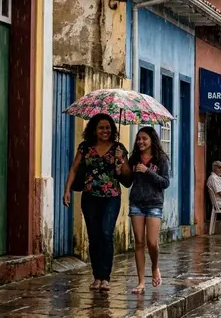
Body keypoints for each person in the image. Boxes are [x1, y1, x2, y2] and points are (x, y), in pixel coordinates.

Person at [62, 113, 130, 292]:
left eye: (108, 128)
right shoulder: (85, 147)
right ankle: (96, 276)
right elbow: (74, 169)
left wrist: (120, 161)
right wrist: (67, 190)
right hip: (90, 197)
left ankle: (105, 277)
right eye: (101, 127)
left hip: (111, 197)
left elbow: (128, 177)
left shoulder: (118, 148)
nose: (105, 131)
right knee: (94, 236)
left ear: (112, 129)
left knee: (106, 234)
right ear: (94, 129)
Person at [127, 127, 170, 294]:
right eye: (138, 139)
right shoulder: (134, 158)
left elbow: (165, 182)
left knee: (152, 243)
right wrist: (120, 168)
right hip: (136, 203)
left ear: (152, 139)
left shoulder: (161, 160)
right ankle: (141, 282)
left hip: (154, 204)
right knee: (138, 243)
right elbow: (127, 180)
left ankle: (155, 267)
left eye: (144, 138)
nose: (140, 142)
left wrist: (147, 171)